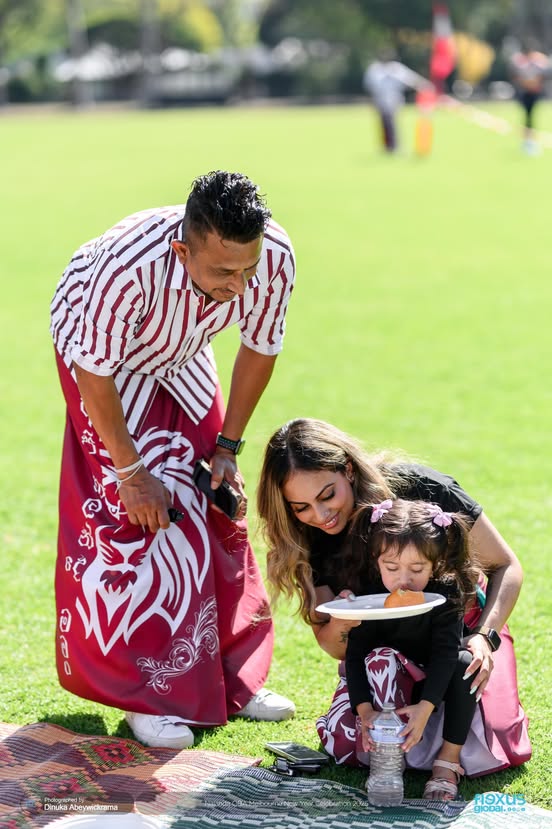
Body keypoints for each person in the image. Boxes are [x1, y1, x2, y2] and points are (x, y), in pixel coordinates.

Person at [49, 170, 297, 750]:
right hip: (102, 361)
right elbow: (95, 372)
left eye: (247, 270)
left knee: (217, 500)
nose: (239, 285)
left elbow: (260, 347)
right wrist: (132, 473)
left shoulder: (273, 257)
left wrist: (228, 449)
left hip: (182, 346)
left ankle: (233, 678)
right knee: (133, 511)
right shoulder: (123, 270)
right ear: (183, 250)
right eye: (222, 271)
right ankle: (146, 693)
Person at [257, 418, 531, 778]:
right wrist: (345, 615)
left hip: (461, 632)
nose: (320, 515)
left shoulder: (419, 487)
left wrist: (484, 636)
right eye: (301, 507)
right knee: (354, 742)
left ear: (349, 471)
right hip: (385, 649)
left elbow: (507, 566)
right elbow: (336, 647)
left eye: (327, 495)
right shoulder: (307, 540)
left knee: (491, 744)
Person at [347, 498, 480, 800]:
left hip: (438, 683)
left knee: (464, 662)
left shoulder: (446, 591)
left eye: (417, 568)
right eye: (391, 567)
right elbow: (355, 655)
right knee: (377, 658)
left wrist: (427, 705)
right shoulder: (370, 592)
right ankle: (386, 757)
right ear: (375, 558)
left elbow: (446, 654)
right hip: (390, 689)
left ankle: (448, 760)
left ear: (436, 563)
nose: (403, 580)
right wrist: (365, 711)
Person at [363, 51, 431, 152]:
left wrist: (424, 85)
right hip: (380, 100)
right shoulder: (375, 70)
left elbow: (411, 79)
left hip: (394, 100)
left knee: (392, 123)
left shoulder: (396, 69)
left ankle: (394, 146)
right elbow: (370, 85)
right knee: (384, 124)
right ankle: (387, 146)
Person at [509, 42, 551, 155]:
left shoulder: (539, 61)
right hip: (525, 92)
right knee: (527, 117)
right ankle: (528, 140)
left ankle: (530, 140)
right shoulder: (521, 62)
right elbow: (517, 76)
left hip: (534, 93)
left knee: (530, 117)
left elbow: (543, 75)